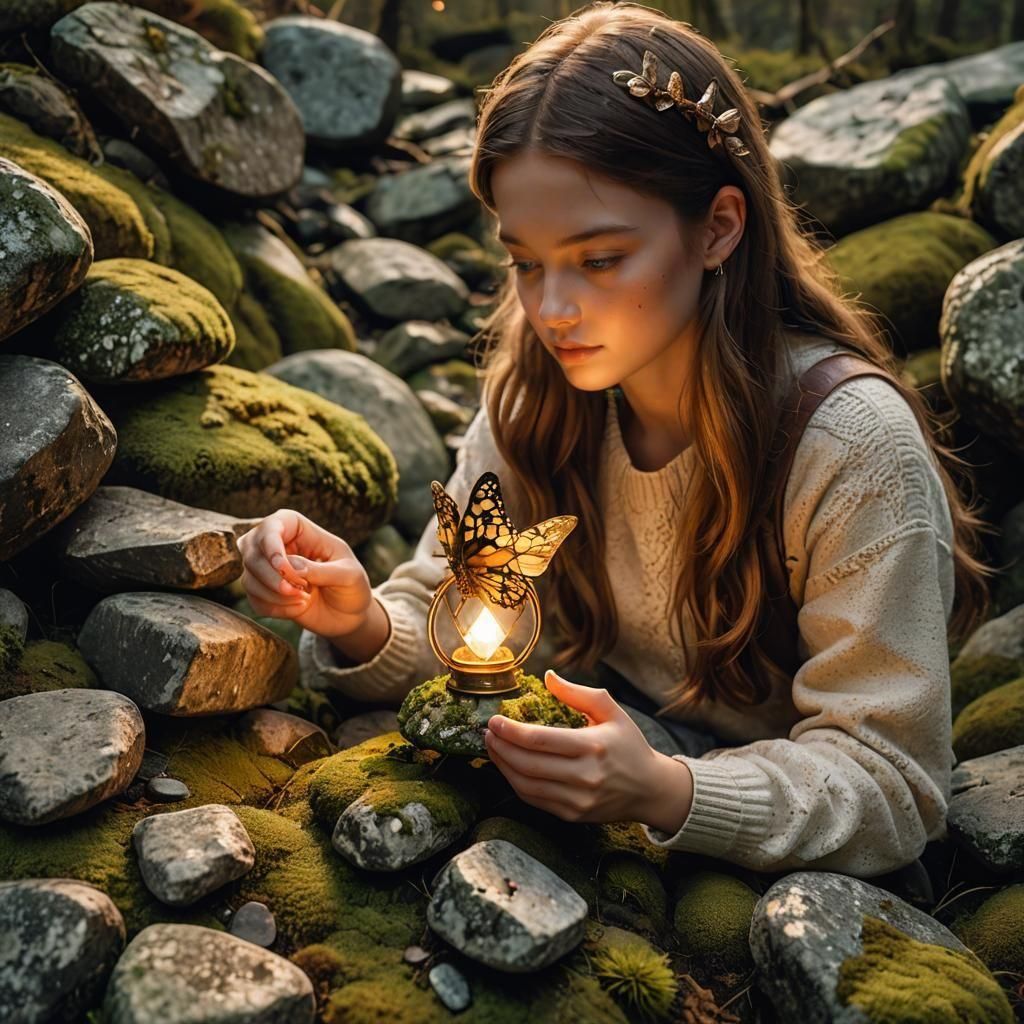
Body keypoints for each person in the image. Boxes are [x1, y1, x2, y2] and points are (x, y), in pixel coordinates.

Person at [237, 1, 994, 879]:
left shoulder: (852, 448)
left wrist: (671, 792)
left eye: (599, 260)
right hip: (618, 750)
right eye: (525, 261)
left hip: (783, 829)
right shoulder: (536, 392)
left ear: (718, 227)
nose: (552, 311)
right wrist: (359, 619)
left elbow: (897, 782)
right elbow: (455, 611)